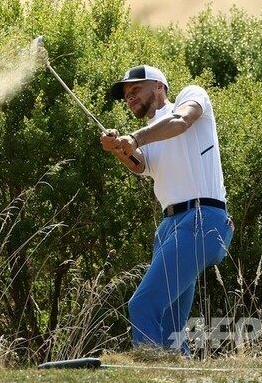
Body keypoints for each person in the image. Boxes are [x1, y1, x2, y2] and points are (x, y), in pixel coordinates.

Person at [99, 65, 234, 356]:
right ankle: (180, 377)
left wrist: (134, 138)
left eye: (135, 90)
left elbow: (181, 121)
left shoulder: (191, 96)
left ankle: (150, 373)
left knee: (143, 304)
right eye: (126, 96)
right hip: (171, 228)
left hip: (202, 219)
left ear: (159, 86)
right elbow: (139, 164)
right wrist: (118, 147)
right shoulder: (150, 136)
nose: (129, 98)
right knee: (169, 323)